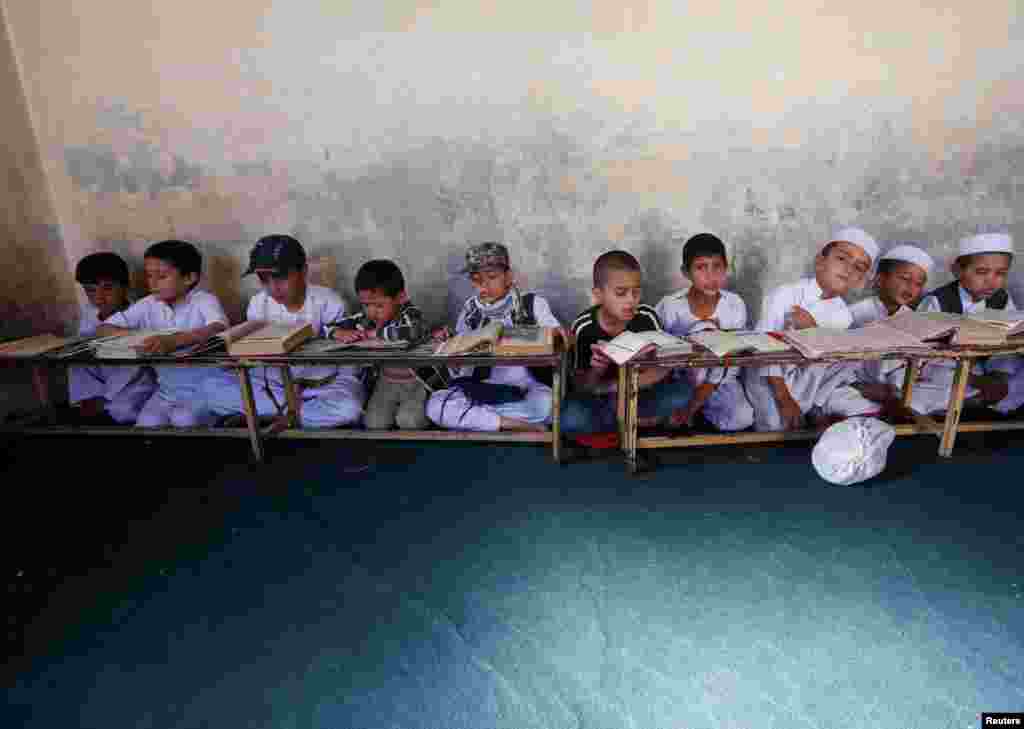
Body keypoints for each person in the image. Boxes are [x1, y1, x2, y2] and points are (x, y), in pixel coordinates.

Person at [203, 234, 364, 428]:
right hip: (274, 385)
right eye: (264, 279)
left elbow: (348, 365)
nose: (273, 287)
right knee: (209, 389)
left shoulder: (330, 302)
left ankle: (272, 415)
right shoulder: (258, 303)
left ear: (303, 271)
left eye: (280, 277)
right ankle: (295, 415)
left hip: (323, 385)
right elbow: (253, 358)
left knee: (349, 409)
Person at [744, 227, 881, 431]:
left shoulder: (843, 313)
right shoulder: (785, 294)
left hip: (807, 382)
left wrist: (813, 330)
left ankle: (819, 406)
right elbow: (763, 350)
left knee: (848, 351)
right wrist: (784, 398)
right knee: (774, 426)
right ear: (820, 262)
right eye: (842, 259)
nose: (849, 269)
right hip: (769, 377)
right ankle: (808, 408)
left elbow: (826, 359)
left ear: (859, 281)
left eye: (859, 267)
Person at [426, 242, 561, 432]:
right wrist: (451, 350)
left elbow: (557, 338)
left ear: (508, 276)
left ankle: (479, 420)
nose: (483, 286)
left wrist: (506, 337)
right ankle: (514, 424)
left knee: (548, 405)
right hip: (481, 390)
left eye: (491, 277)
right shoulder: (470, 310)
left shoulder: (532, 304)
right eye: (476, 279)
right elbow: (461, 364)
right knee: (436, 405)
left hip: (525, 389)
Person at [97, 240, 228, 428]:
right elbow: (104, 328)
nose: (153, 283)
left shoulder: (203, 300)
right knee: (146, 424)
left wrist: (176, 341)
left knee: (184, 419)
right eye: (149, 276)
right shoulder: (148, 304)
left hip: (205, 389)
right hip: (167, 390)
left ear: (189, 278)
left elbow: (219, 327)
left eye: (162, 276)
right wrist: (140, 337)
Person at [561, 250, 693, 436]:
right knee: (571, 419)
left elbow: (662, 369)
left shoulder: (647, 317)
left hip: (638, 392)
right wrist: (597, 370)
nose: (631, 300)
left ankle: (622, 421)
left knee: (683, 391)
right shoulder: (584, 327)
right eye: (621, 293)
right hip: (601, 397)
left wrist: (618, 386)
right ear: (598, 295)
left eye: (636, 292)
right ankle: (637, 422)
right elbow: (582, 385)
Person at [912, 232, 1024, 415]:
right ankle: (976, 401)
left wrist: (998, 376)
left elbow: (1007, 338)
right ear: (957, 271)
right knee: (930, 384)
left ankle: (985, 400)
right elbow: (926, 353)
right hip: (945, 370)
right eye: (981, 272)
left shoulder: (1002, 299)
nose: (991, 280)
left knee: (1014, 362)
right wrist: (975, 380)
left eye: (1000, 273)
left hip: (985, 367)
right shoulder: (937, 301)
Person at [655, 233, 754, 431]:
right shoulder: (670, 306)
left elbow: (730, 365)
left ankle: (697, 412)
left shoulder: (734, 305)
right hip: (681, 380)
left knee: (743, 418)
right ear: (686, 272)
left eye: (717, 266)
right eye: (701, 267)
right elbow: (656, 354)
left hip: (719, 382)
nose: (711, 276)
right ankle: (687, 412)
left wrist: (693, 406)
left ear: (726, 268)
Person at [326, 259, 430, 430]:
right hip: (385, 384)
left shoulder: (410, 313)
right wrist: (338, 333)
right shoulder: (367, 318)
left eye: (379, 305)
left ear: (401, 297)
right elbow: (328, 327)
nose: (372, 311)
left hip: (415, 385)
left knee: (409, 421)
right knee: (374, 423)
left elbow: (412, 331)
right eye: (366, 305)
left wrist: (376, 333)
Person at [67, 252, 156, 424]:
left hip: (135, 385)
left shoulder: (140, 314)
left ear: (125, 286)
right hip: (98, 387)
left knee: (122, 411)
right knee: (76, 356)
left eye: (107, 288)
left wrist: (105, 397)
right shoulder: (89, 314)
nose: (98, 298)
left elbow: (132, 367)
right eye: (90, 290)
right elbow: (83, 358)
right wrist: (90, 396)